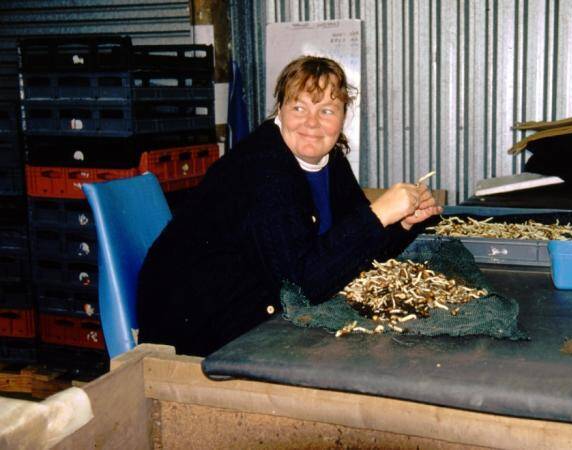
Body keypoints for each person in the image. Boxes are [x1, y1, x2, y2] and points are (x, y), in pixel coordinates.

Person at [137, 55, 443, 356]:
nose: (312, 123)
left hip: (257, 306)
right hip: (200, 329)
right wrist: (379, 214)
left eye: (327, 110)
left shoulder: (329, 161)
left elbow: (355, 247)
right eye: (299, 107)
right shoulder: (263, 168)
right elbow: (302, 284)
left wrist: (403, 223)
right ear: (279, 110)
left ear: (343, 116)